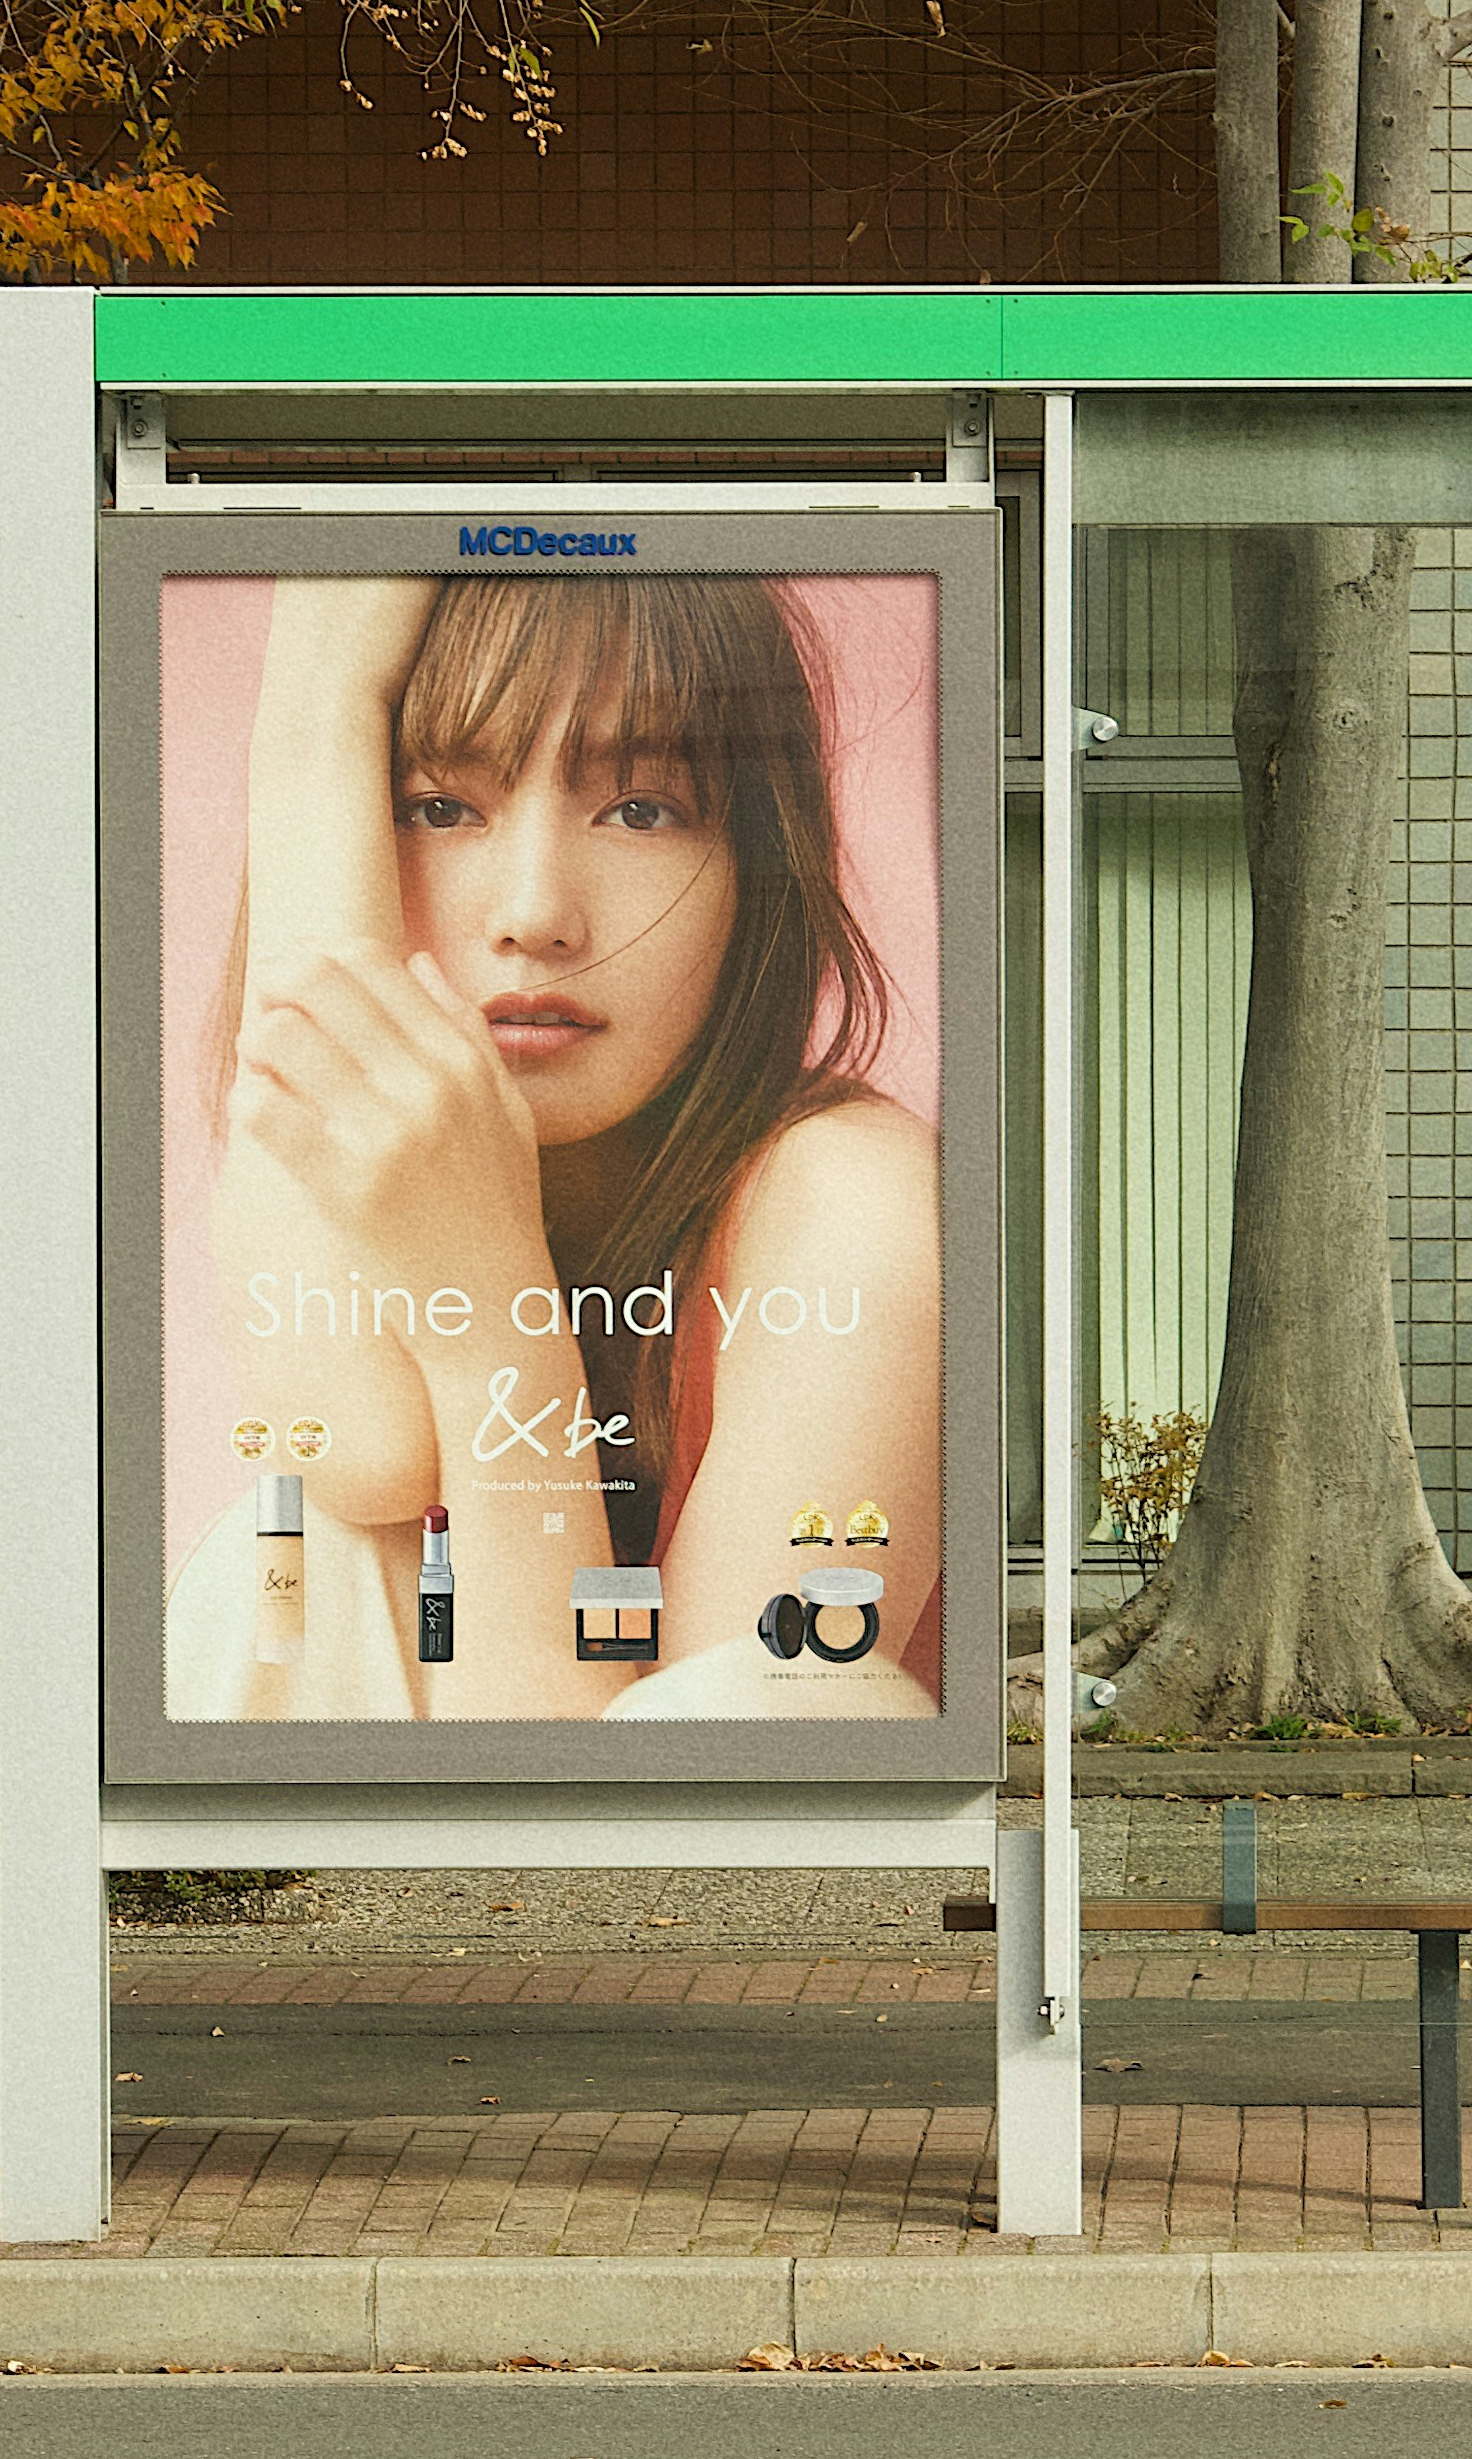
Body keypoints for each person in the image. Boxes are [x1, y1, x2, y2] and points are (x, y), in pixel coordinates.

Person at [171, 572, 942, 1720]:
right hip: (444, 1867)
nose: (535, 913)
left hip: (741, 1897)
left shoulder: (860, 1204)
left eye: (643, 810)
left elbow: (651, 1812)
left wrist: (493, 1321)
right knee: (313, 1558)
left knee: (767, 1692)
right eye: (438, 806)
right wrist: (314, 715)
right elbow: (367, 1450)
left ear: (755, 871)